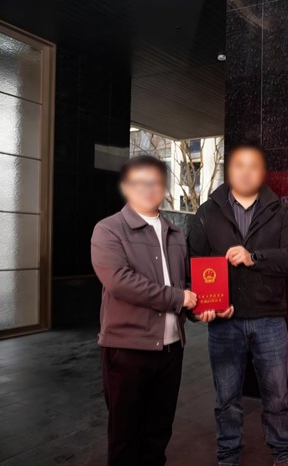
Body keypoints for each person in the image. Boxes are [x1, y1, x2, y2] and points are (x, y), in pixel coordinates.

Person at [91, 155, 216, 466]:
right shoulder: (108, 230)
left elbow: (185, 285)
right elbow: (121, 282)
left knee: (159, 432)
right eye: (140, 182)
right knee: (125, 435)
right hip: (128, 348)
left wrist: (201, 309)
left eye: (156, 182)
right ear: (126, 187)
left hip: (171, 349)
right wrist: (179, 298)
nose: (149, 188)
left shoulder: (176, 234)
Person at [188, 142, 288, 466]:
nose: (245, 171)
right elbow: (192, 265)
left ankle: (283, 456)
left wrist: (254, 257)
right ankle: (228, 457)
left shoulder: (278, 212)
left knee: (277, 397)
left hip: (269, 319)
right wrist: (199, 309)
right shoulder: (207, 213)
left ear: (262, 172)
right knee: (226, 399)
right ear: (229, 170)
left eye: (253, 165)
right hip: (224, 323)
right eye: (239, 164)